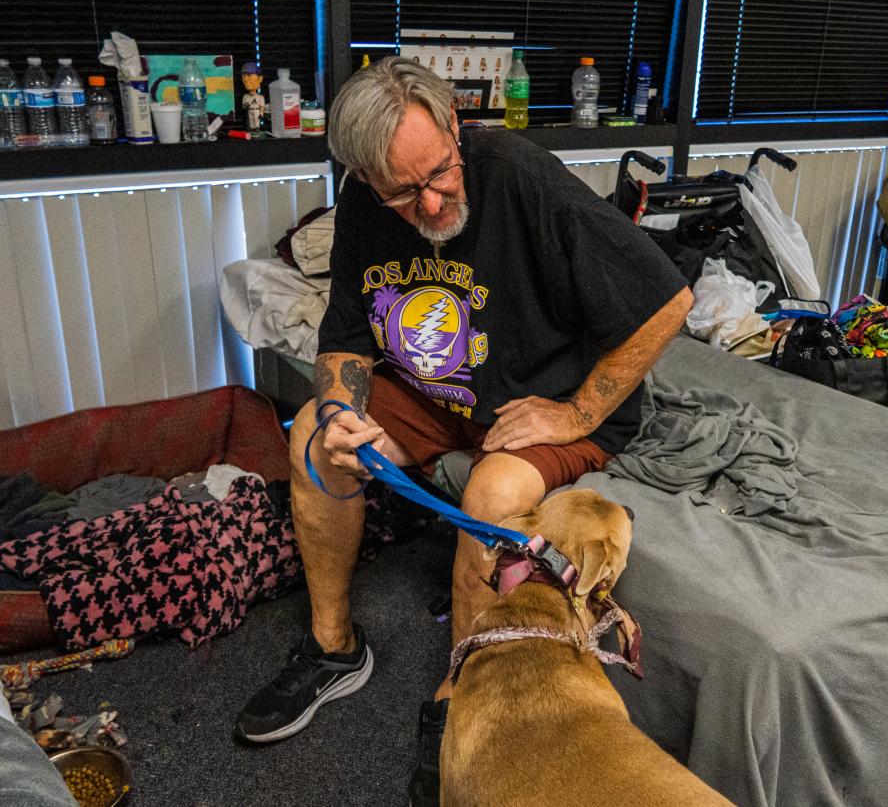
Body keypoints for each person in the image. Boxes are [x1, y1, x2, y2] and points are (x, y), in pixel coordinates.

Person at [233, 57, 691, 805]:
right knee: (314, 435)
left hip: (542, 400)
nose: (430, 200)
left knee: (491, 492)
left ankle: (459, 694)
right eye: (402, 191)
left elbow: (668, 300)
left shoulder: (520, 175)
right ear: (365, 177)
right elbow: (345, 341)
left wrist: (577, 414)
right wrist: (343, 410)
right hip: (439, 393)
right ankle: (332, 646)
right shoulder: (362, 201)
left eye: (440, 172)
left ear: (454, 125)